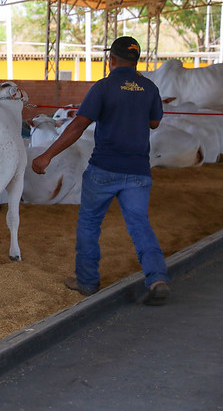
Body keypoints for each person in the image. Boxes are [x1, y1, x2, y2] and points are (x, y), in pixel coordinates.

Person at [31, 36, 170, 306]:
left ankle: (86, 281)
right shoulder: (149, 87)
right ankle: (157, 278)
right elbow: (154, 122)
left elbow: (77, 126)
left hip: (104, 169)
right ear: (136, 61)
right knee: (140, 225)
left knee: (90, 223)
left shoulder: (104, 87)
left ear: (112, 61)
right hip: (138, 171)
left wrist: (47, 155)